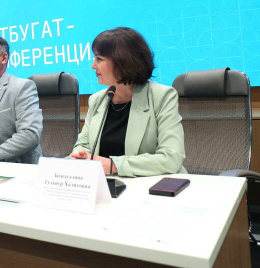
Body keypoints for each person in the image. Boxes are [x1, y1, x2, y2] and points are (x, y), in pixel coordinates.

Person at [70, 27, 186, 176]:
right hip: (106, 184)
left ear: (122, 61)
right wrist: (80, 156)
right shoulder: (97, 100)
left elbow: (171, 158)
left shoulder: (162, 96)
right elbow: (83, 145)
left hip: (155, 185)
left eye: (99, 59)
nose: (93, 66)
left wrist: (114, 166)